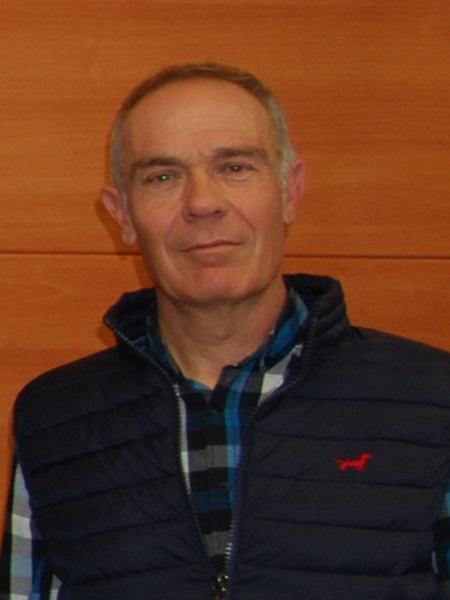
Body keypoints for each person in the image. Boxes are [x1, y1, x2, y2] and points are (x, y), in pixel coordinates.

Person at [0, 62, 449, 600]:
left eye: (235, 167)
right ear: (123, 215)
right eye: (163, 177)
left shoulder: (433, 401)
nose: (203, 203)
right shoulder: (54, 420)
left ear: (290, 191)